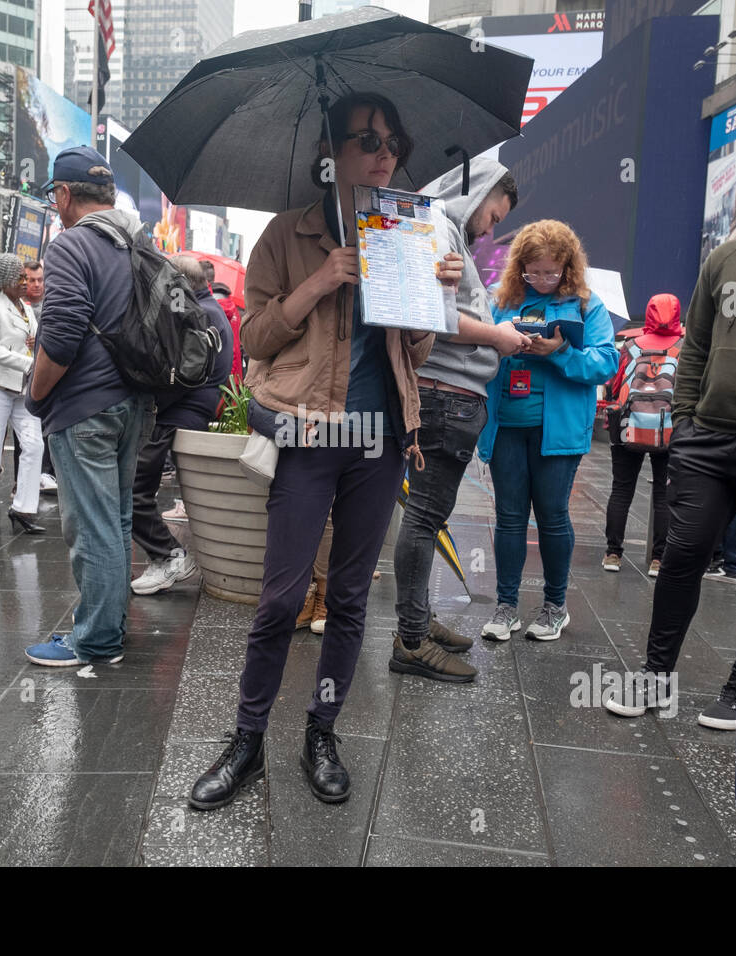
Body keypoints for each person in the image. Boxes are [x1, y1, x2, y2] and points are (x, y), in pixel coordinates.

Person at [189, 92, 459, 810]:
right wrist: (321, 280)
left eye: (392, 141)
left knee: (346, 599)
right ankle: (247, 740)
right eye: (367, 139)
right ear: (331, 151)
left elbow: (419, 349)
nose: (384, 153)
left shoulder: (406, 234)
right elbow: (252, 340)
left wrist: (432, 295)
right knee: (279, 599)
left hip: (379, 441)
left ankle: (322, 728)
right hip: (309, 435)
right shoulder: (285, 235)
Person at [602, 132, 736, 731]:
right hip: (708, 439)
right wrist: (687, 418)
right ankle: (654, 675)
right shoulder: (724, 259)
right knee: (682, 554)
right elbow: (693, 345)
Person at [390, 157, 528, 682]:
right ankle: (411, 640)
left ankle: (418, 623)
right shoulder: (439, 230)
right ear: (482, 192)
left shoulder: (448, 235)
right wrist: (498, 336)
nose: (493, 227)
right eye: (495, 214)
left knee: (427, 516)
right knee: (424, 517)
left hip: (451, 397)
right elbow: (435, 316)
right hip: (444, 398)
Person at [24, 147, 150, 666]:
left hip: (85, 408)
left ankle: (96, 639)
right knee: (116, 520)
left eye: (55, 196)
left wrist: (35, 392)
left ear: (64, 194)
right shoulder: (137, 243)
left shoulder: (71, 246)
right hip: (133, 401)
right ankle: (110, 625)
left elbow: (63, 333)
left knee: (93, 526)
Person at [477, 221, 619, 642]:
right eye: (532, 271)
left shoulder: (585, 305)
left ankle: (555, 606)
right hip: (506, 426)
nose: (540, 279)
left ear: (567, 267)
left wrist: (559, 353)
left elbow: (606, 363)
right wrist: (502, 345)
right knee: (509, 517)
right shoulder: (501, 300)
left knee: (553, 517)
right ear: (519, 266)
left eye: (550, 272)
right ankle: (506, 606)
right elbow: (479, 351)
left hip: (558, 431)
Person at [130, 255, 233, 594]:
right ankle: (168, 556)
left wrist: (154, 405)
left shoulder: (196, 315)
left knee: (132, 490)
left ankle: (170, 556)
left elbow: (182, 376)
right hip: (190, 411)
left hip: (179, 412)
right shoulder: (209, 311)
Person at [601, 293, 682, 576]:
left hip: (627, 426)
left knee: (621, 490)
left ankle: (613, 554)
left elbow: (613, 384)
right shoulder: (683, 347)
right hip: (668, 429)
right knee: (663, 494)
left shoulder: (630, 345)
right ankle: (658, 560)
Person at [0, 253, 46, 536]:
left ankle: (23, 508)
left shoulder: (26, 309)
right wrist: (29, 361)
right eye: (20, 278)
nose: (25, 282)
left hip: (23, 390)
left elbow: (36, 339)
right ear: (4, 281)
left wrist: (34, 343)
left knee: (34, 445)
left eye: (26, 278)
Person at [21, 260, 58, 496]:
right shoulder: (13, 306)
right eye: (31, 280)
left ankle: (47, 473)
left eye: (40, 279)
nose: (36, 285)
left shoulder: (52, 305)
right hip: (15, 379)